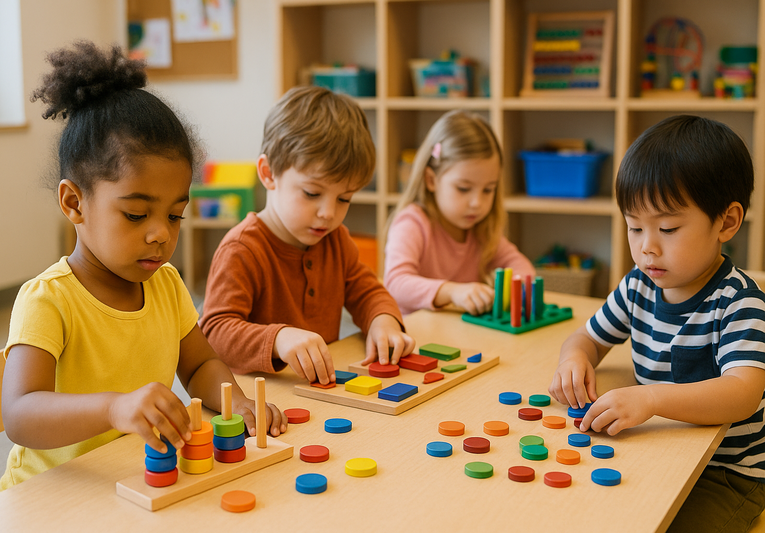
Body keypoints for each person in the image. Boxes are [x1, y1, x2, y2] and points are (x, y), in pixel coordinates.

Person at [0, 41, 285, 491]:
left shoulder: (166, 285)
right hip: (52, 496)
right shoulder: (48, 300)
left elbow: (199, 366)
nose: (160, 234)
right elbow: (20, 415)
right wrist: (113, 407)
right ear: (74, 202)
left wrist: (235, 400)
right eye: (136, 214)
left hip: (133, 481)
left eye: (174, 215)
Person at [548, 115, 765, 531]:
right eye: (634, 227)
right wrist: (573, 360)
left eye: (667, 227)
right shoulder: (637, 289)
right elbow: (586, 338)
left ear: (727, 222)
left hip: (724, 475)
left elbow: (742, 394)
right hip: (659, 450)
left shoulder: (739, 304)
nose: (647, 246)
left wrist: (651, 399)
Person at [200, 86, 414, 386]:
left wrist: (383, 321)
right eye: (312, 193)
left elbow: (367, 292)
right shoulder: (242, 249)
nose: (328, 213)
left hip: (318, 391)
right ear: (269, 173)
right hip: (258, 402)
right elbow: (215, 333)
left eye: (344, 198)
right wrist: (278, 338)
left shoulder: (336, 240)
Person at [383, 110, 534, 316]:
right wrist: (452, 291)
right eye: (463, 189)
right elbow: (396, 284)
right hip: (415, 337)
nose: (477, 203)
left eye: (488, 189)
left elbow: (520, 266)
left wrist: (516, 288)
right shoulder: (413, 223)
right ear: (431, 180)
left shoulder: (481, 230)